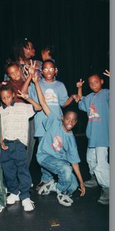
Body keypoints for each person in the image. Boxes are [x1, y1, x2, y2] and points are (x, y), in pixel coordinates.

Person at [21, 59, 79, 192]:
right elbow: (23, 92)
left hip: (56, 123)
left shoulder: (60, 85)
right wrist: (30, 76)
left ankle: (59, 175)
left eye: (51, 69)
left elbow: (63, 103)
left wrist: (73, 96)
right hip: (42, 122)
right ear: (41, 71)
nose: (48, 71)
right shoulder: (37, 83)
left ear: (56, 71)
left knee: (57, 149)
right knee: (45, 151)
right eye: (45, 69)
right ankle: (46, 178)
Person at [32, 72, 85, 206]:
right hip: (44, 156)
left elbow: (75, 163)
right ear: (62, 118)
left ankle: (53, 187)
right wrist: (37, 82)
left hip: (59, 161)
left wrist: (81, 183)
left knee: (72, 186)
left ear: (76, 123)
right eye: (67, 119)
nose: (70, 122)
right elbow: (43, 102)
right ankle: (60, 192)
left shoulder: (71, 139)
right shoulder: (54, 121)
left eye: (73, 121)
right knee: (66, 170)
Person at [0, 85, 39, 212]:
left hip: (19, 143)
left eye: (8, 96)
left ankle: (25, 196)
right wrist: (0, 141)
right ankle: (14, 192)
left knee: (22, 169)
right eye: (3, 97)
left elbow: (38, 107)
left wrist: (28, 98)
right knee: (8, 169)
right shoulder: (0, 110)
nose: (6, 99)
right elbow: (0, 127)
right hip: (6, 144)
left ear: (14, 95)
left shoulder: (23, 107)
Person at [77, 72, 109, 205]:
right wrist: (79, 88)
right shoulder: (89, 97)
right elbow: (80, 102)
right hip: (92, 135)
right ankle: (95, 178)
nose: (93, 85)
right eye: (90, 83)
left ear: (101, 81)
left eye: (96, 82)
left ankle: (108, 188)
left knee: (101, 163)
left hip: (103, 136)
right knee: (90, 159)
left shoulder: (107, 93)